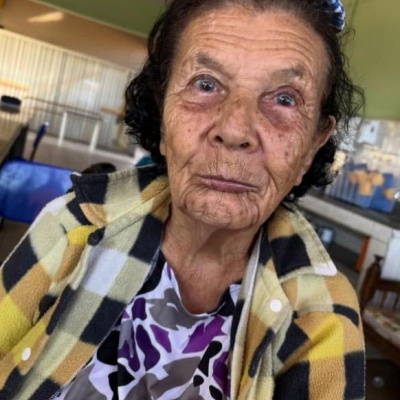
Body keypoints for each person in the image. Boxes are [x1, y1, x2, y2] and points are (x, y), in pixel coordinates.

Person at [0, 0, 365, 399]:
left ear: (313, 144)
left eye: (285, 99)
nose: (235, 130)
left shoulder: (324, 313)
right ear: (162, 113)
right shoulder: (78, 221)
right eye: (205, 84)